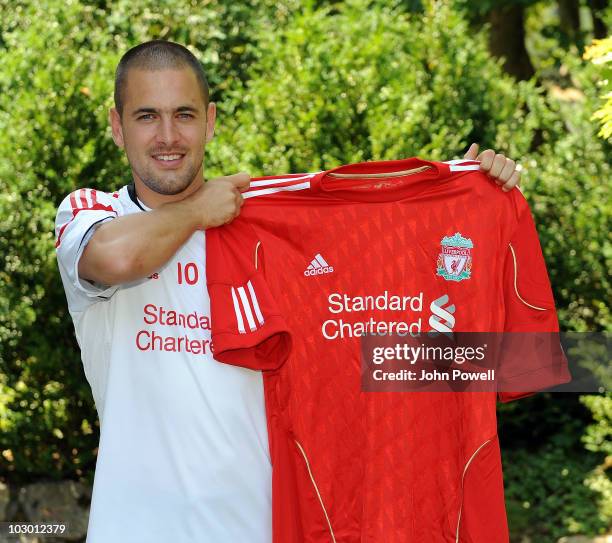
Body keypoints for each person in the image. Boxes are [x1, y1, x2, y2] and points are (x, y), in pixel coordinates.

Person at [54, 40, 524, 543]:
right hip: (134, 529)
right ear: (117, 126)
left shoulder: (268, 231)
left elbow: (375, 344)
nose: (168, 136)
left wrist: (464, 197)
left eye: (184, 114)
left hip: (263, 529)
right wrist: (197, 212)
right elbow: (115, 259)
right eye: (147, 116)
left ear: (210, 121)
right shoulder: (92, 213)